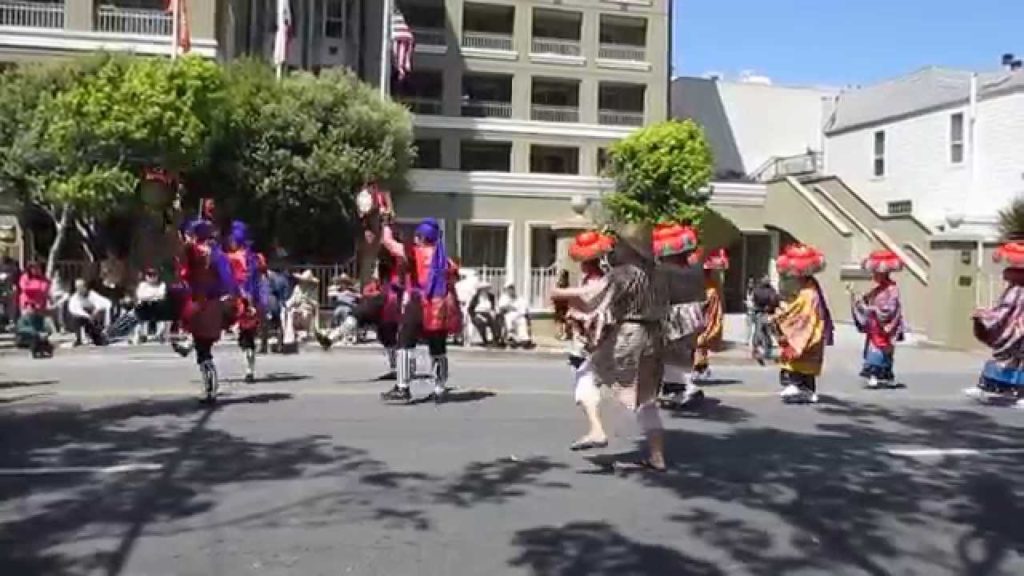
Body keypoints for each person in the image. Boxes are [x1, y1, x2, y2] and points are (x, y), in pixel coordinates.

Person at [552, 224, 670, 471]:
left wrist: (560, 292)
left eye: (620, 245)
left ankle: (596, 429)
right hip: (655, 336)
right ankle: (657, 456)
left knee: (586, 374)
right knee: (646, 399)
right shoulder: (659, 272)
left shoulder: (625, 273)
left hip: (630, 334)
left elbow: (593, 294)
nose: (614, 250)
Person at [380, 218, 460, 404]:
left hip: (419, 301)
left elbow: (388, 243)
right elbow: (454, 279)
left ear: (421, 237)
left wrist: (385, 224)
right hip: (441, 305)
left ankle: (402, 387)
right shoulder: (445, 258)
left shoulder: (414, 252)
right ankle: (440, 389)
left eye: (417, 235)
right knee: (438, 348)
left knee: (405, 343)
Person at [556, 230, 615, 452]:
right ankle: (596, 428)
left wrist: (574, 316)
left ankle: (597, 430)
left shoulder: (595, 283)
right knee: (587, 385)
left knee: (584, 386)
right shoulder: (598, 279)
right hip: (595, 343)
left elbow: (592, 315)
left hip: (591, 344)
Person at [175, 218, 237, 403]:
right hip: (211, 304)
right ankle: (209, 386)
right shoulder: (216, 253)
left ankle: (210, 388)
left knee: (203, 349)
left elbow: (184, 269)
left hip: (202, 304)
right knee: (204, 347)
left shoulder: (196, 251)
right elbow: (227, 279)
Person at [653, 223, 706, 408]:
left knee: (671, 354)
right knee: (685, 352)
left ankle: (679, 388)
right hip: (695, 312)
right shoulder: (696, 268)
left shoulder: (663, 271)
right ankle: (684, 385)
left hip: (674, 314)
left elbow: (661, 295)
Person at [774, 244, 834, 404]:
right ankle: (807, 389)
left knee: (797, 361)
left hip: (806, 332)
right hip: (814, 332)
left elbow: (800, 316)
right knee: (806, 365)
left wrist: (782, 317)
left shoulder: (808, 293)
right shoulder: (811, 288)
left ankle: (799, 386)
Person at [965, 241, 1024, 407]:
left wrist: (985, 316)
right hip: (1017, 329)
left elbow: (1005, 310)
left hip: (1018, 330)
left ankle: (1019, 392)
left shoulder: (1017, 291)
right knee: (1008, 359)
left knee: (1016, 360)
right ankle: (991, 386)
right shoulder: (1014, 289)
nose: (1006, 274)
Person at [851, 250, 906, 388]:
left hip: (886, 326)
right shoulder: (878, 289)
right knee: (874, 349)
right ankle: (876, 374)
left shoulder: (892, 288)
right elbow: (866, 299)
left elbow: (891, 308)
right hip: (875, 325)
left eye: (877, 274)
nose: (875, 276)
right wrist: (857, 300)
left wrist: (874, 309)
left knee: (883, 350)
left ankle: (881, 374)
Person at [224, 221, 265, 381]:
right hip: (252, 300)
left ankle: (190, 344)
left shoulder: (232, 258)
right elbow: (261, 277)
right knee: (249, 337)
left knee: (210, 319)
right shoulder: (256, 258)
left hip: (238, 300)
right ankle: (250, 370)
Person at [692, 248, 728, 381]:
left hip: (701, 322)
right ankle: (700, 367)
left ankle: (700, 368)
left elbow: (714, 311)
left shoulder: (710, 289)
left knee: (700, 345)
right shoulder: (705, 287)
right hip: (698, 321)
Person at [315, 274, 361, 348]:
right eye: (341, 282)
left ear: (347, 283)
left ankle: (344, 333)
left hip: (349, 307)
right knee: (338, 311)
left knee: (344, 311)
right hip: (339, 307)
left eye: (344, 282)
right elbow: (329, 294)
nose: (343, 284)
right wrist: (339, 292)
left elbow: (359, 296)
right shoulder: (337, 290)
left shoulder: (352, 290)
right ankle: (336, 330)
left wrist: (350, 294)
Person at [67, 278, 111, 346]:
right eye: (78, 288)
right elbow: (75, 310)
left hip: (95, 318)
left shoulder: (92, 294)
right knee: (75, 318)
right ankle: (78, 339)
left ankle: (100, 335)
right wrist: (87, 316)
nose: (80, 289)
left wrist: (95, 312)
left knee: (99, 341)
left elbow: (105, 304)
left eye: (81, 287)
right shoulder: (74, 298)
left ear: (85, 287)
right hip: (84, 317)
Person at [283, 269, 320, 346]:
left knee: (305, 313)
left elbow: (316, 304)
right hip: (297, 308)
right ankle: (289, 336)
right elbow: (292, 299)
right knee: (289, 312)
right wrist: (287, 305)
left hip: (307, 309)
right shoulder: (297, 288)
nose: (304, 282)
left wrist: (308, 300)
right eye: (303, 280)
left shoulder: (313, 289)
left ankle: (304, 333)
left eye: (306, 281)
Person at [132, 268, 168, 344]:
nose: (151, 277)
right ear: (146, 277)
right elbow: (140, 296)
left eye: (153, 275)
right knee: (139, 309)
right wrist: (154, 295)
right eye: (149, 275)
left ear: (157, 277)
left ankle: (159, 334)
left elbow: (161, 295)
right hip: (144, 306)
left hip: (156, 306)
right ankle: (138, 334)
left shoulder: (161, 285)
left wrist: (148, 296)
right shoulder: (142, 285)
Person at [750, 276, 780, 364]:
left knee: (762, 332)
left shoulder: (766, 290)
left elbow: (774, 300)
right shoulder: (769, 290)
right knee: (763, 332)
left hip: (763, 313)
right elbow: (774, 300)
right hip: (764, 313)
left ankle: (762, 351)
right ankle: (761, 350)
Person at [498, 280, 533, 348]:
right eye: (509, 289)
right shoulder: (503, 298)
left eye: (512, 288)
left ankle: (524, 339)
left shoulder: (520, 298)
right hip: (508, 315)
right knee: (509, 318)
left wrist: (525, 314)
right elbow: (501, 308)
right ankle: (511, 335)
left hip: (519, 316)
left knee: (522, 320)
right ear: (506, 290)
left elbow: (525, 308)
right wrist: (509, 307)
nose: (510, 290)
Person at [0, 255, 20, 332]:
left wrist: (15, 286)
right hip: (2, 291)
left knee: (11, 309)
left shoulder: (14, 269)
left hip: (10, 291)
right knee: (2, 309)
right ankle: (3, 325)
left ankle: (11, 324)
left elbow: (16, 279)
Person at [553, 269, 571, 341]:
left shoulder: (565, 284)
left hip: (563, 304)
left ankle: (564, 334)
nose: (559, 276)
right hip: (559, 304)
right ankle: (561, 333)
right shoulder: (560, 283)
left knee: (563, 320)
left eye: (561, 274)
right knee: (560, 320)